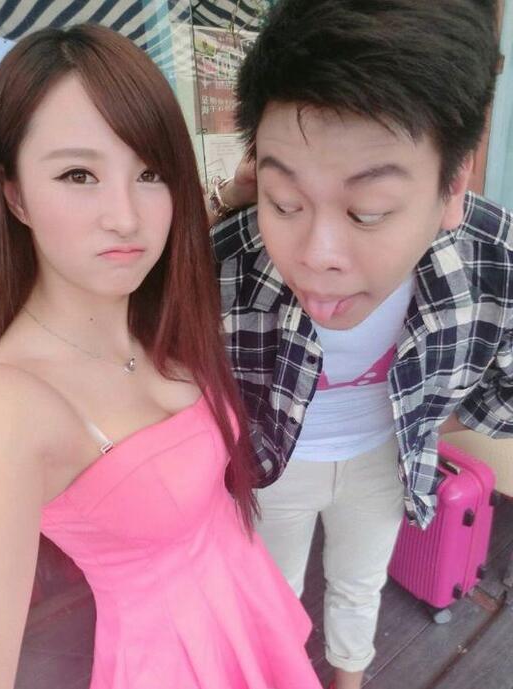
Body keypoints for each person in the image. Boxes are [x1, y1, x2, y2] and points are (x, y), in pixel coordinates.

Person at [0, 24, 323, 689]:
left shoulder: (157, 319)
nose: (125, 216)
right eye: (78, 174)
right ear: (15, 195)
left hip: (249, 619)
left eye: (150, 172)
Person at [207, 1, 512, 688]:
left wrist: (425, 421)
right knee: (271, 598)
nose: (318, 255)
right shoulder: (223, 260)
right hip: (272, 461)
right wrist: (223, 202)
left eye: (367, 212)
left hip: (383, 460)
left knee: (359, 583)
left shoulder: (494, 258)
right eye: (285, 202)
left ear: (453, 184)